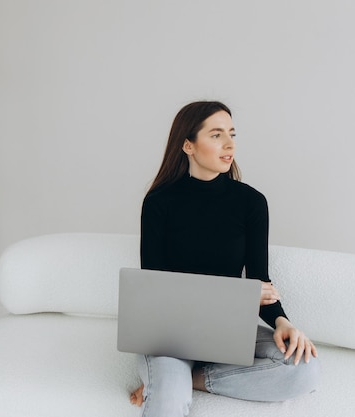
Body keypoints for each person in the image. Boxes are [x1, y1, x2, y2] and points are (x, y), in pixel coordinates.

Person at [130, 101, 320, 416]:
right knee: (168, 403)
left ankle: (190, 380)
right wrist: (240, 297)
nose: (229, 144)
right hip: (170, 334)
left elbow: (261, 282)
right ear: (188, 145)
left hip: (228, 332)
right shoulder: (159, 203)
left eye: (231, 134)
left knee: (304, 368)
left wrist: (282, 321)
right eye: (216, 135)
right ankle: (169, 384)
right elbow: (157, 291)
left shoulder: (251, 203)